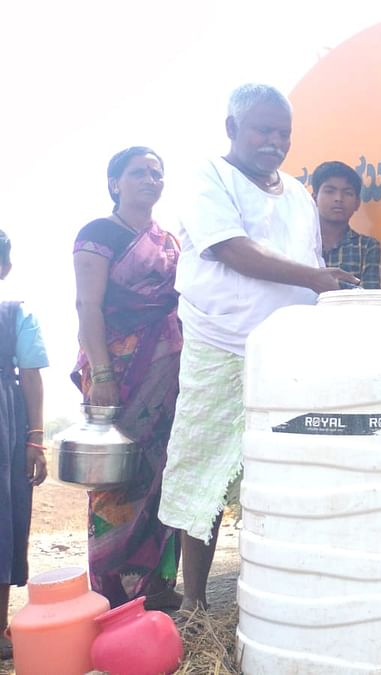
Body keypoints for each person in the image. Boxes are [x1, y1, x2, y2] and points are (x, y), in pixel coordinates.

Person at [158, 84, 356, 612]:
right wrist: (317, 279)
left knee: (286, 470)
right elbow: (229, 249)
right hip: (221, 344)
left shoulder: (296, 193)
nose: (275, 141)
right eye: (263, 130)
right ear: (231, 128)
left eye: (283, 133)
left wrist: (320, 294)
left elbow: (309, 264)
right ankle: (197, 604)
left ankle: (280, 589)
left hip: (288, 351)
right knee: (204, 473)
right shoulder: (209, 176)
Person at [71, 146, 183, 610]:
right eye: (139, 173)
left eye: (157, 174)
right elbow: (87, 306)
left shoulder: (170, 240)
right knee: (116, 476)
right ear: (115, 182)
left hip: (167, 371)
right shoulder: (99, 234)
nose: (150, 180)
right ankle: (113, 590)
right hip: (115, 368)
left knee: (163, 471)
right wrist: (101, 374)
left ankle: (154, 588)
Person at [0, 229, 47, 658]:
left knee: (3, 520)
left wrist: (35, 438)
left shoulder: (15, 314)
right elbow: (30, 373)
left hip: (7, 426)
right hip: (8, 422)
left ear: (5, 269)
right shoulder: (16, 314)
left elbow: (32, 374)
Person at [312, 160, 381, 289]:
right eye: (330, 191)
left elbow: (371, 297)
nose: (338, 198)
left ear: (357, 203)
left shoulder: (366, 247)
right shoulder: (300, 240)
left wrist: (324, 284)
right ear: (314, 198)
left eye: (348, 193)